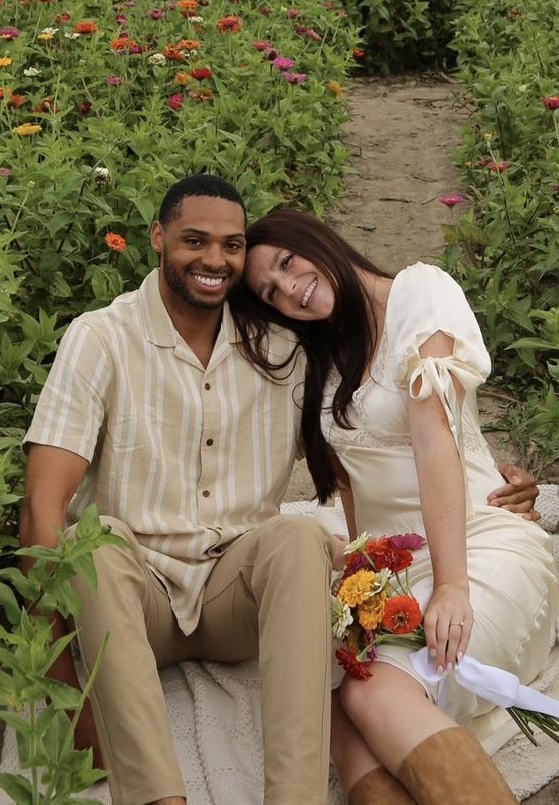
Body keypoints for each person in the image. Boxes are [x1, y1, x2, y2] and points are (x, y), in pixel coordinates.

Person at [18, 174, 339, 805]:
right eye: (195, 240)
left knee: (301, 537)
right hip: (133, 603)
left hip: (235, 598)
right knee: (95, 538)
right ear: (158, 239)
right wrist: (65, 692)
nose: (214, 260)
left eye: (232, 245)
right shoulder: (101, 338)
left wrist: (488, 479)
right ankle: (157, 797)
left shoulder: (282, 350)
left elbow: (367, 448)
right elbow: (41, 509)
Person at [237, 210, 559, 805]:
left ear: (316, 239)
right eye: (270, 293)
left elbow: (436, 438)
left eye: (286, 263)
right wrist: (364, 584)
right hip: (392, 568)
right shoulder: (326, 356)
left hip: (471, 546)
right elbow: (356, 487)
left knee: (371, 693)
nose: (289, 290)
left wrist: (453, 587)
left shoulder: (419, 291)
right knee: (329, 699)